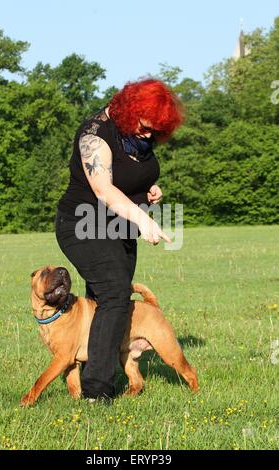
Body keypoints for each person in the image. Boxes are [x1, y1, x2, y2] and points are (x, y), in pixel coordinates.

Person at [55, 78, 184, 401]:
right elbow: (104, 189)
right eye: (145, 127)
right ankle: (97, 391)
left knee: (107, 301)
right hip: (83, 225)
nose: (150, 135)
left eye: (156, 131)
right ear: (129, 112)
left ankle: (91, 371)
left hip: (119, 229)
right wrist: (142, 217)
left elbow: (130, 175)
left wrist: (148, 192)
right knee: (114, 293)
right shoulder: (94, 136)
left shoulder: (137, 133)